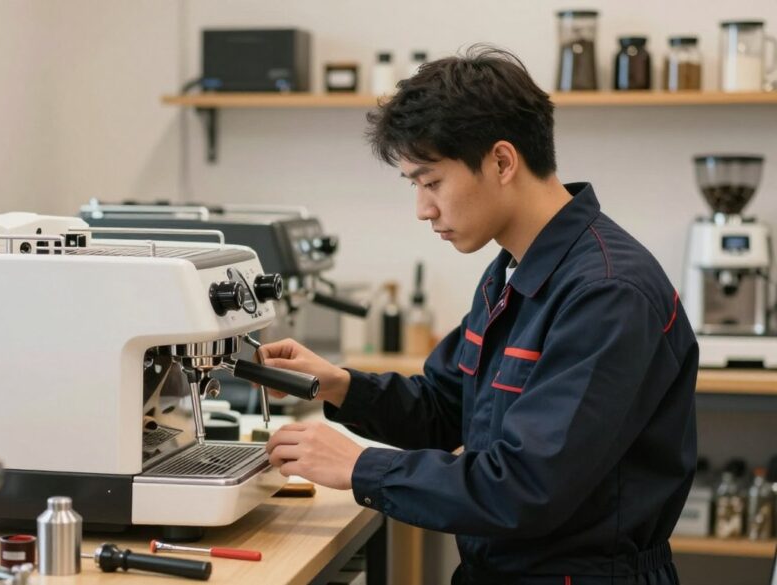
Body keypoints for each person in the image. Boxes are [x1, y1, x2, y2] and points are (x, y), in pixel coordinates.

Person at [261, 46, 698, 585]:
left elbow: (526, 486)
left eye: (431, 181)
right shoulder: (512, 270)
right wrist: (341, 387)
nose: (423, 209)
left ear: (501, 162)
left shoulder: (608, 293)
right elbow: (449, 409)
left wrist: (359, 467)